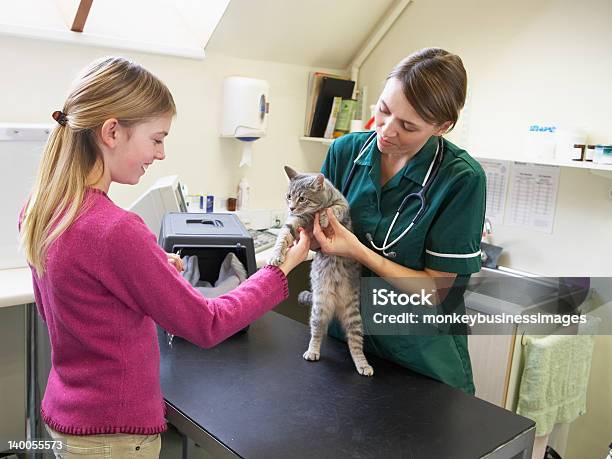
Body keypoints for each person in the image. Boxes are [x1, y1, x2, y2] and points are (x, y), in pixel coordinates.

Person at [18, 56, 310, 458]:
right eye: (156, 139)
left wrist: (143, 276)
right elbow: (207, 324)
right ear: (112, 132)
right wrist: (279, 270)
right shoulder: (114, 229)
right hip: (113, 435)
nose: (160, 154)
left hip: (70, 418)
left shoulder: (42, 208)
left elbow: (66, 312)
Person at [312, 47, 486, 394]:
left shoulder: (461, 179)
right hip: (345, 345)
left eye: (407, 126)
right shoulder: (345, 153)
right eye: (384, 110)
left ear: (443, 127)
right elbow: (317, 234)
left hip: (419, 359)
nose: (387, 131)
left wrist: (358, 251)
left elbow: (437, 290)